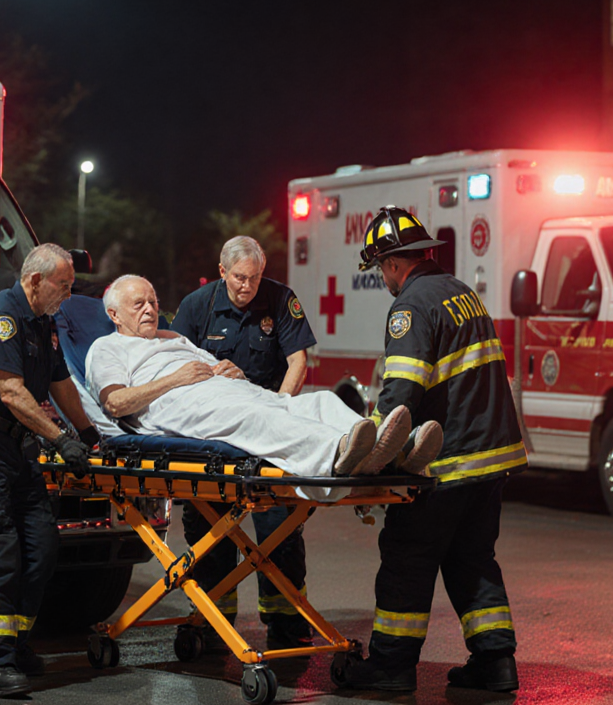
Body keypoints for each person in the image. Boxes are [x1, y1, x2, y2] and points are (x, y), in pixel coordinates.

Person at [337, 207, 528, 694]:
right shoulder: (462, 293)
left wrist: (371, 452)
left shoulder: (410, 305)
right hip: (493, 457)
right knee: (472, 558)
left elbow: (402, 392)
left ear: (395, 264)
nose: (383, 278)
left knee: (408, 557)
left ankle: (390, 666)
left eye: (382, 268)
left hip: (445, 461)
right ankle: (496, 661)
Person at [85, 275, 437, 487]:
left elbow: (213, 366)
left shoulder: (172, 338)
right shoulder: (107, 348)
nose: (149, 309)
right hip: (176, 403)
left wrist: (231, 371)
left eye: (152, 301)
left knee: (316, 402)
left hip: (221, 389)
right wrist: (174, 380)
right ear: (114, 314)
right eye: (138, 304)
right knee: (259, 420)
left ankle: (394, 452)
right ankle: (340, 453)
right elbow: (115, 403)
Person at [0, 243, 99, 699]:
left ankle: (14, 645)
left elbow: (60, 382)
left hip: (15, 451)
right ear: (35, 280)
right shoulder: (2, 318)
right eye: (63, 286)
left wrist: (88, 435)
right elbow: (11, 392)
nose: (67, 296)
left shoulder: (42, 321)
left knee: (42, 546)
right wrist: (60, 439)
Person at [169, 236, 319, 650]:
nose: (246, 287)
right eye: (239, 278)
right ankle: (214, 620)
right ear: (222, 272)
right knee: (209, 530)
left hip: (265, 432)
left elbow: (297, 361)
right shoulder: (197, 306)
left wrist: (280, 411)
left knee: (280, 532)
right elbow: (175, 365)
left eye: (253, 278)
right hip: (213, 436)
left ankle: (287, 624)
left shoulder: (279, 299)